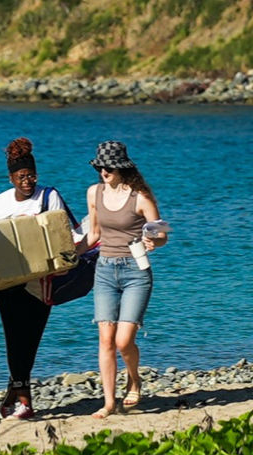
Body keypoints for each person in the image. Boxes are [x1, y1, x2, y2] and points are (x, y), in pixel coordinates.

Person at [0, 138, 70, 420]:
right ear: (10, 178)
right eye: (22, 177)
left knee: (31, 337)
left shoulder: (49, 196)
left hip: (41, 280)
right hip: (8, 282)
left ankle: (14, 392)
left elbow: (63, 234)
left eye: (32, 175)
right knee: (13, 336)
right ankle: (25, 400)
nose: (28, 181)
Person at [83, 141, 167, 419]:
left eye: (108, 167)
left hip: (135, 272)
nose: (103, 171)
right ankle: (108, 402)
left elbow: (161, 233)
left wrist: (155, 241)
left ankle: (134, 379)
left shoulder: (140, 197)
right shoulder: (94, 192)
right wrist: (69, 255)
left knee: (123, 340)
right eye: (99, 166)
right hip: (104, 270)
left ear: (120, 168)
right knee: (105, 339)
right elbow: (93, 234)